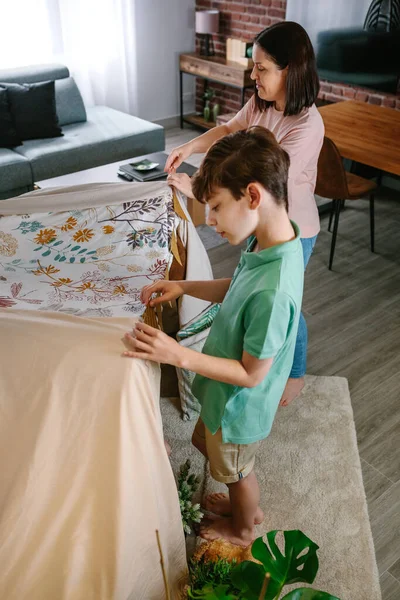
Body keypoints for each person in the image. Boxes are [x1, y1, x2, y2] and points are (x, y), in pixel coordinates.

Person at [122, 126, 304, 546]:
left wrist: (178, 354)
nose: (211, 221)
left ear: (253, 196)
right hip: (222, 394)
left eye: (217, 208)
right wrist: (186, 287)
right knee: (211, 450)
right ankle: (243, 505)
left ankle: (244, 525)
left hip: (239, 405)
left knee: (237, 471)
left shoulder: (275, 290)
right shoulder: (269, 241)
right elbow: (236, 284)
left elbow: (251, 374)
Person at [166, 21, 324, 407]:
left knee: (285, 304)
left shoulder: (307, 126)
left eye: (262, 68)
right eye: (254, 66)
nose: (253, 75)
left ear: (291, 70)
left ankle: (295, 374)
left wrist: (201, 190)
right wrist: (189, 148)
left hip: (294, 230)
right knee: (251, 289)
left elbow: (258, 180)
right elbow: (227, 132)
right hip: (260, 221)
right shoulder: (261, 103)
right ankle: (256, 350)